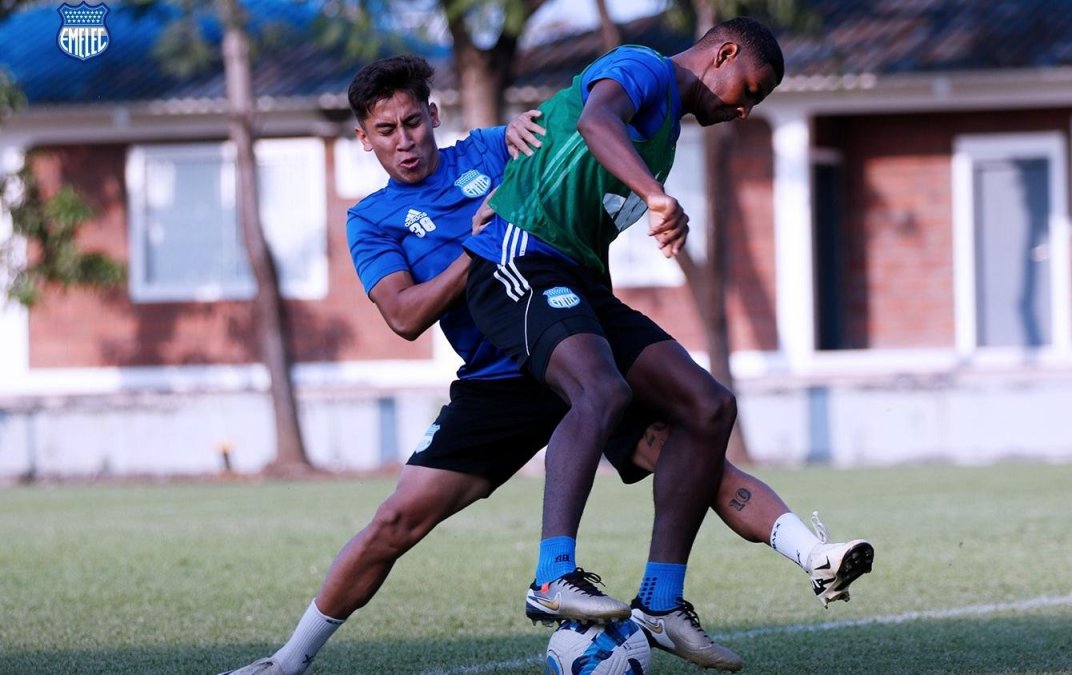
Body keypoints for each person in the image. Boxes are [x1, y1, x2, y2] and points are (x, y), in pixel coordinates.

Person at [219, 52, 871, 675]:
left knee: (697, 447)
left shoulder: (490, 146)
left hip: (575, 340)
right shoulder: (372, 220)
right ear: (365, 139)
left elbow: (570, 137)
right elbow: (405, 313)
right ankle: (289, 658)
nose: (405, 140)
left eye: (413, 122)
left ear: (434, 115)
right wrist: (478, 244)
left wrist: (577, 154)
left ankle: (811, 554)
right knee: (396, 521)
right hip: (499, 379)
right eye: (386, 131)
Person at [462, 16, 872, 669]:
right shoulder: (645, 66)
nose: (742, 108)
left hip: (579, 280)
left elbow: (570, 137)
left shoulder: (665, 134)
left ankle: (661, 599)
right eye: (749, 88)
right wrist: (656, 197)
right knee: (600, 387)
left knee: (709, 405)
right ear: (724, 52)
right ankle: (552, 576)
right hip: (520, 255)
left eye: (756, 103)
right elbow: (596, 122)